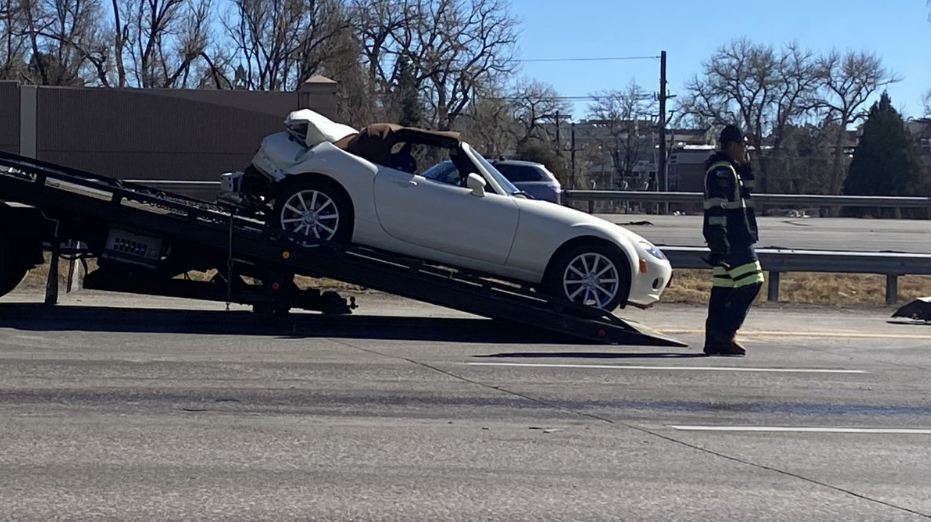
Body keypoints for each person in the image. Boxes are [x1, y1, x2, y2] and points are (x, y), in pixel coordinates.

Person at [701, 125, 764, 357]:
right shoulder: (721, 171)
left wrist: (746, 168)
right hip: (733, 239)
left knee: (724, 289)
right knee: (753, 282)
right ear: (731, 145)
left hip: (731, 238)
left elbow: (746, 193)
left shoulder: (731, 169)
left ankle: (713, 341)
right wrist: (720, 241)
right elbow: (717, 208)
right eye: (742, 144)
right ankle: (724, 333)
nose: (745, 148)